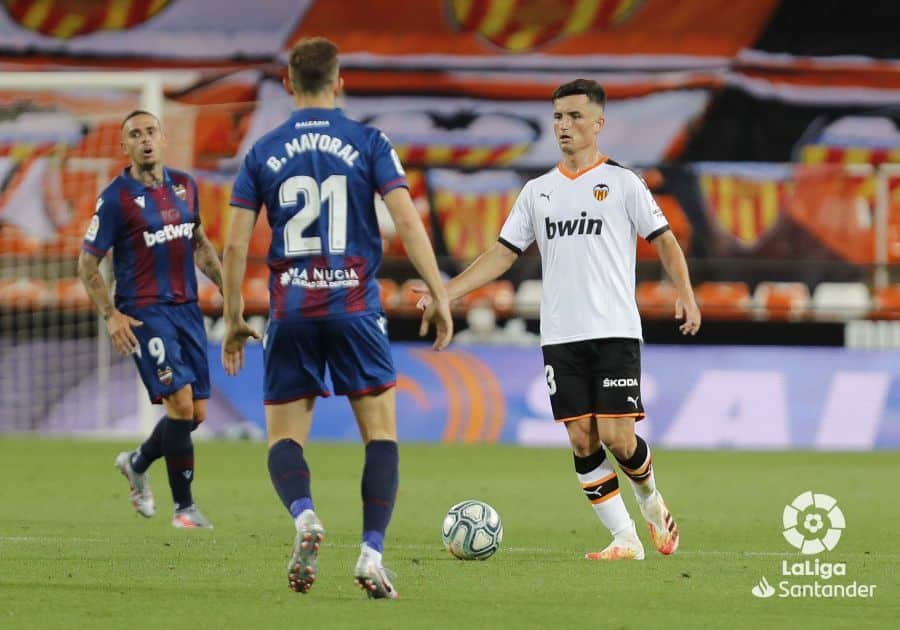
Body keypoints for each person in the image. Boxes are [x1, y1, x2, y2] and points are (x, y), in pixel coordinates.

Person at [419, 79, 701, 560]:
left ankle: (651, 500)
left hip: (613, 328)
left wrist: (686, 295)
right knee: (580, 437)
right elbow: (502, 255)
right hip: (561, 334)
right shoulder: (538, 192)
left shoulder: (624, 183)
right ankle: (625, 539)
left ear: (598, 123)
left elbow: (666, 240)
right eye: (557, 117)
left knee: (616, 436)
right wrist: (445, 292)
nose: (563, 126)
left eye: (573, 117)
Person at [220, 36, 452, 598]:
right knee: (380, 435)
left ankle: (304, 516)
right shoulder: (369, 141)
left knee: (284, 438)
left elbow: (232, 246)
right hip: (355, 308)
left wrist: (232, 315)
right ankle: (371, 553)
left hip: (292, 310)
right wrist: (440, 292)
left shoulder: (263, 150)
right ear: (340, 81)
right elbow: (408, 220)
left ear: (287, 84)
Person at [78, 110, 222, 529]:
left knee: (195, 414)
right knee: (178, 405)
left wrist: (227, 290)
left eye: (150, 132)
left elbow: (199, 244)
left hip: (187, 309)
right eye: (134, 135)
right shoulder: (114, 199)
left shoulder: (186, 186)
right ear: (124, 147)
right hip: (144, 311)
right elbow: (87, 265)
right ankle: (185, 510)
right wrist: (111, 315)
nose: (144, 140)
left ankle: (137, 463)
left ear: (162, 138)